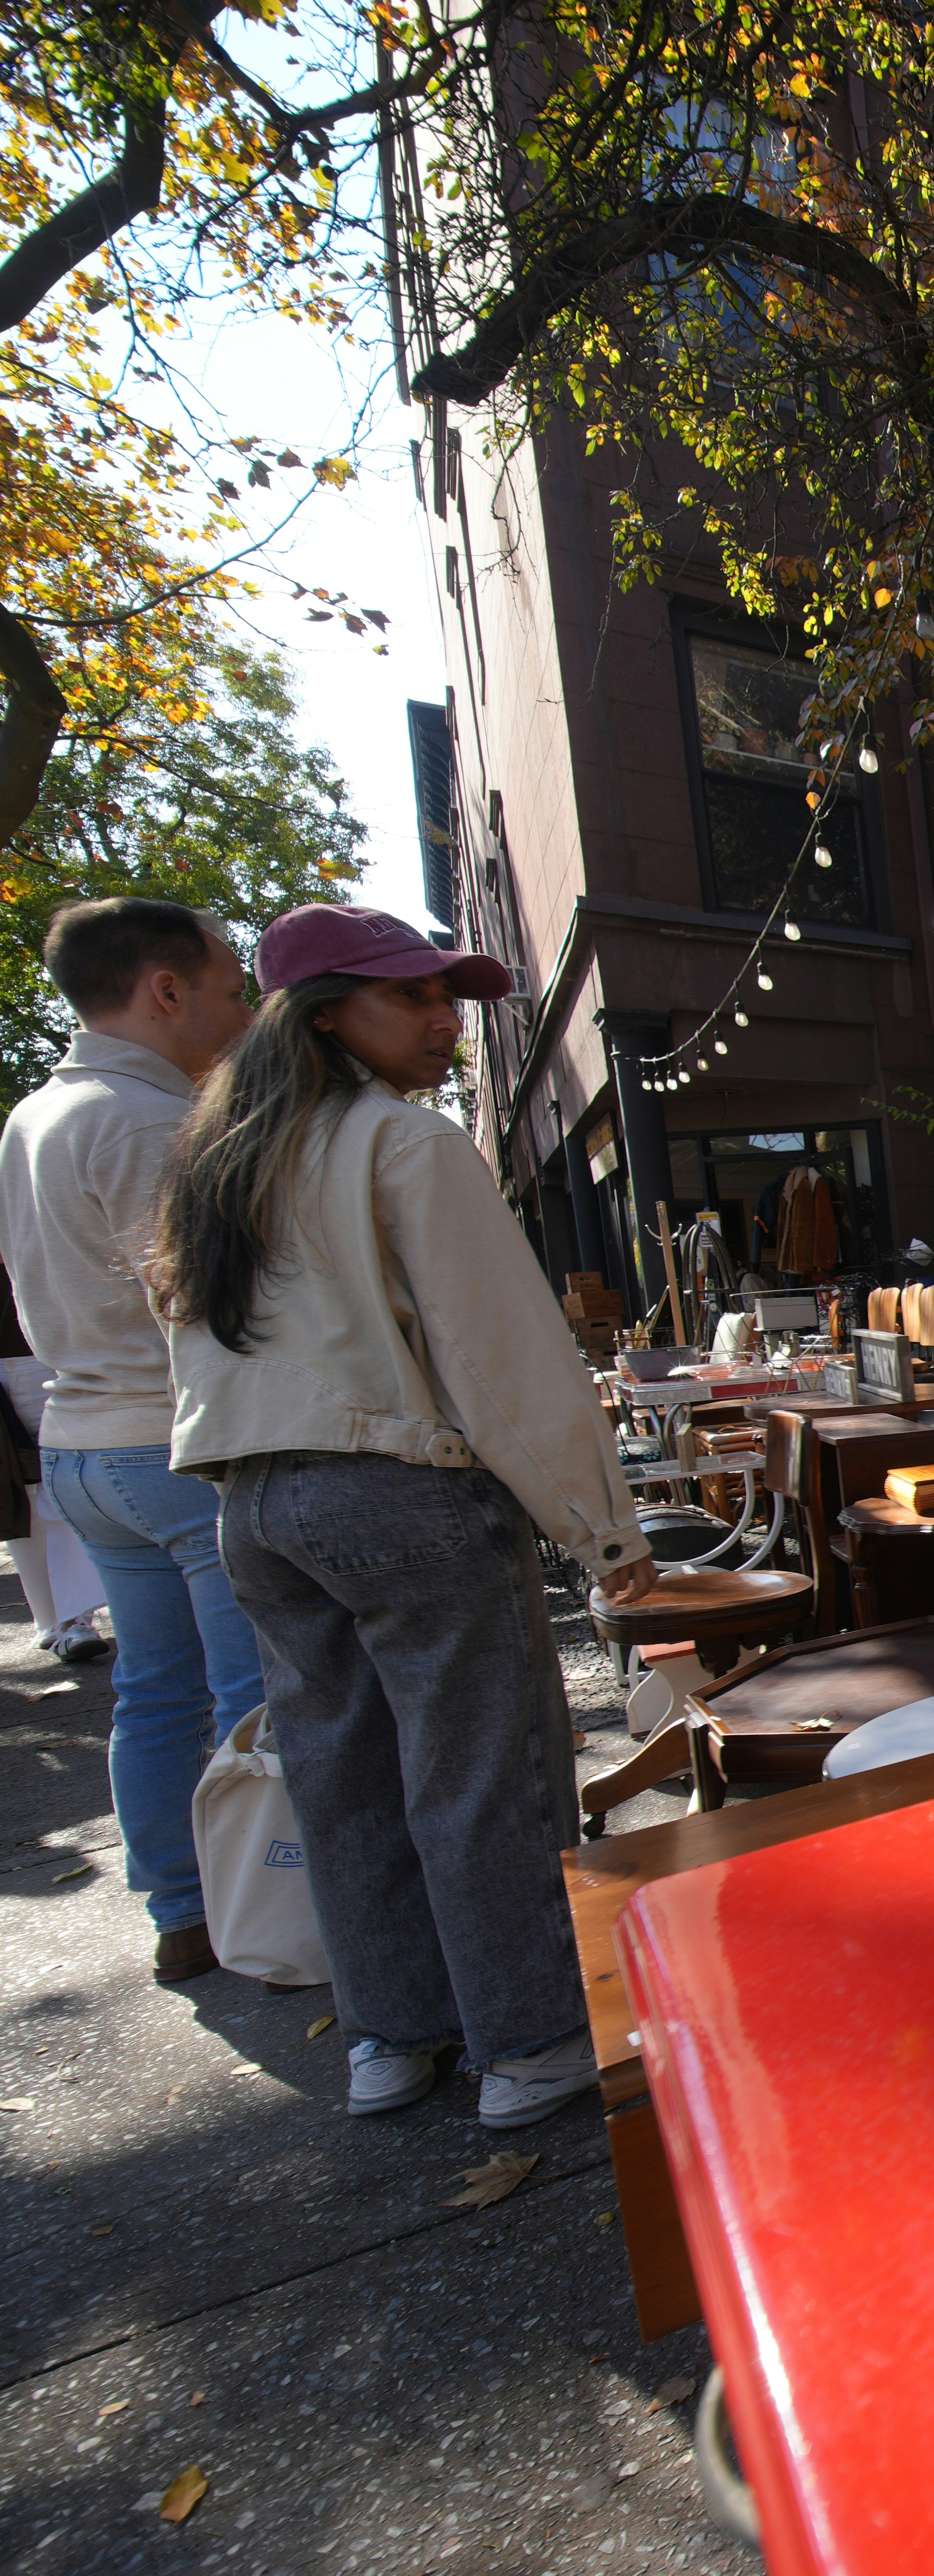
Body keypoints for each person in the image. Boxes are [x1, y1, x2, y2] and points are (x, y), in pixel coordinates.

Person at [148, 901, 657, 2124]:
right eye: (413, 998)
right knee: (483, 1776)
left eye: (446, 998)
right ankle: (533, 2042)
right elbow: (505, 1360)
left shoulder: (217, 1159)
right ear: (330, 1018)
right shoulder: (400, 1143)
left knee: (341, 1776)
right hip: (399, 1488)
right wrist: (606, 1534)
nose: (446, 1023)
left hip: (254, 1504)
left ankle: (393, 2034)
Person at [0, 897, 263, 1975]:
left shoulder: (31, 1116)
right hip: (175, 1441)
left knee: (153, 1688)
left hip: (81, 1442)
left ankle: (181, 1908)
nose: (243, 1011)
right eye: (232, 987)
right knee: (257, 1694)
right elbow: (208, 1305)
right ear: (167, 990)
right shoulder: (153, 1121)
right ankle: (277, 1908)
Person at [1, 1259, 112, 1660]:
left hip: (36, 1346)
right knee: (16, 1494)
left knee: (55, 1480)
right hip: (27, 1346)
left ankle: (74, 1618)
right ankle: (52, 1619)